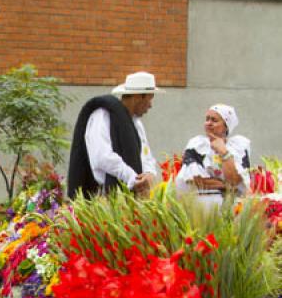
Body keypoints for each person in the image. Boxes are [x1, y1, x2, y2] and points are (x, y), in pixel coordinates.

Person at [67, 71, 161, 199]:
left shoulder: (137, 124)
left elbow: (146, 154)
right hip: (102, 196)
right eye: (149, 99)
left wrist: (148, 173)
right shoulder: (102, 116)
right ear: (138, 97)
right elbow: (102, 156)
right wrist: (131, 177)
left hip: (128, 195)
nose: (150, 105)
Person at [175, 104, 250, 207]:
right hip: (202, 206)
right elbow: (196, 181)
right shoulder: (197, 145)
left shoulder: (238, 147)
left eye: (214, 120)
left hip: (232, 206)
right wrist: (227, 186)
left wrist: (223, 152)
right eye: (207, 119)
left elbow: (235, 180)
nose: (208, 123)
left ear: (226, 127)